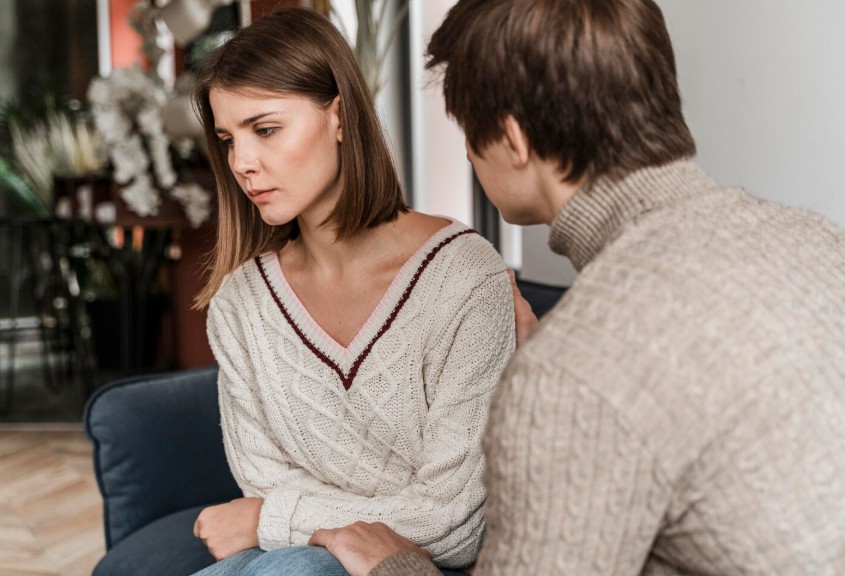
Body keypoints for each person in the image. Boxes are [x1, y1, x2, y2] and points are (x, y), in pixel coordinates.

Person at [309, 0, 845, 574]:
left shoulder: (576, 369)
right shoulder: (820, 242)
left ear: (513, 138)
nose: (465, 152)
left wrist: (395, 565)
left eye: (466, 130)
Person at [188, 7, 520, 576]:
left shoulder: (464, 278)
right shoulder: (240, 305)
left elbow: (455, 523)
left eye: (265, 130)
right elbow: (266, 486)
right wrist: (282, 519)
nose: (241, 163)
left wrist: (269, 519)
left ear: (338, 117)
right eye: (227, 139)